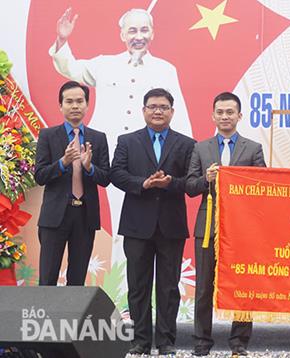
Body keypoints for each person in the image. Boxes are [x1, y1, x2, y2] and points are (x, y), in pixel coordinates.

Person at [49, 7, 192, 237]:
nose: (139, 36)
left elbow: (179, 114)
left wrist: (183, 157)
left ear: (153, 33)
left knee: (142, 217)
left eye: (144, 30)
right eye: (132, 30)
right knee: (111, 219)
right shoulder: (105, 64)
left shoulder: (165, 70)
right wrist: (62, 39)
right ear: (122, 35)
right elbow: (71, 67)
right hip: (104, 153)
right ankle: (119, 271)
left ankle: (137, 270)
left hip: (146, 152)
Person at [110, 88, 195, 356]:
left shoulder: (186, 144)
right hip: (137, 225)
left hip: (171, 224)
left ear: (172, 111)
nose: (158, 111)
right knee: (138, 285)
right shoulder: (127, 141)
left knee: (169, 286)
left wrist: (171, 183)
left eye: (163, 107)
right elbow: (116, 174)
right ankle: (140, 341)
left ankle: (167, 341)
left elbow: (191, 182)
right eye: (152, 106)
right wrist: (143, 183)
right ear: (144, 110)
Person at [186, 92, 266, 357]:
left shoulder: (253, 148)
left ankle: (239, 341)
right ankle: (201, 341)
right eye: (220, 112)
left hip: (242, 228)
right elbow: (189, 186)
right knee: (204, 287)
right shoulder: (201, 148)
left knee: (243, 284)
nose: (225, 117)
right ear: (213, 115)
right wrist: (205, 179)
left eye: (230, 112)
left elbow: (262, 186)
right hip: (207, 227)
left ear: (239, 116)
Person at [35, 80, 110, 286]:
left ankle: (73, 318)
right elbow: (40, 175)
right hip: (54, 216)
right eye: (69, 101)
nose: (75, 106)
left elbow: (106, 178)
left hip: (85, 216)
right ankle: (44, 318)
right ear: (60, 106)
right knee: (48, 278)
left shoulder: (98, 138)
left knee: (77, 280)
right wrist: (63, 162)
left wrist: (89, 168)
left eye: (79, 101)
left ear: (87, 105)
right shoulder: (48, 136)